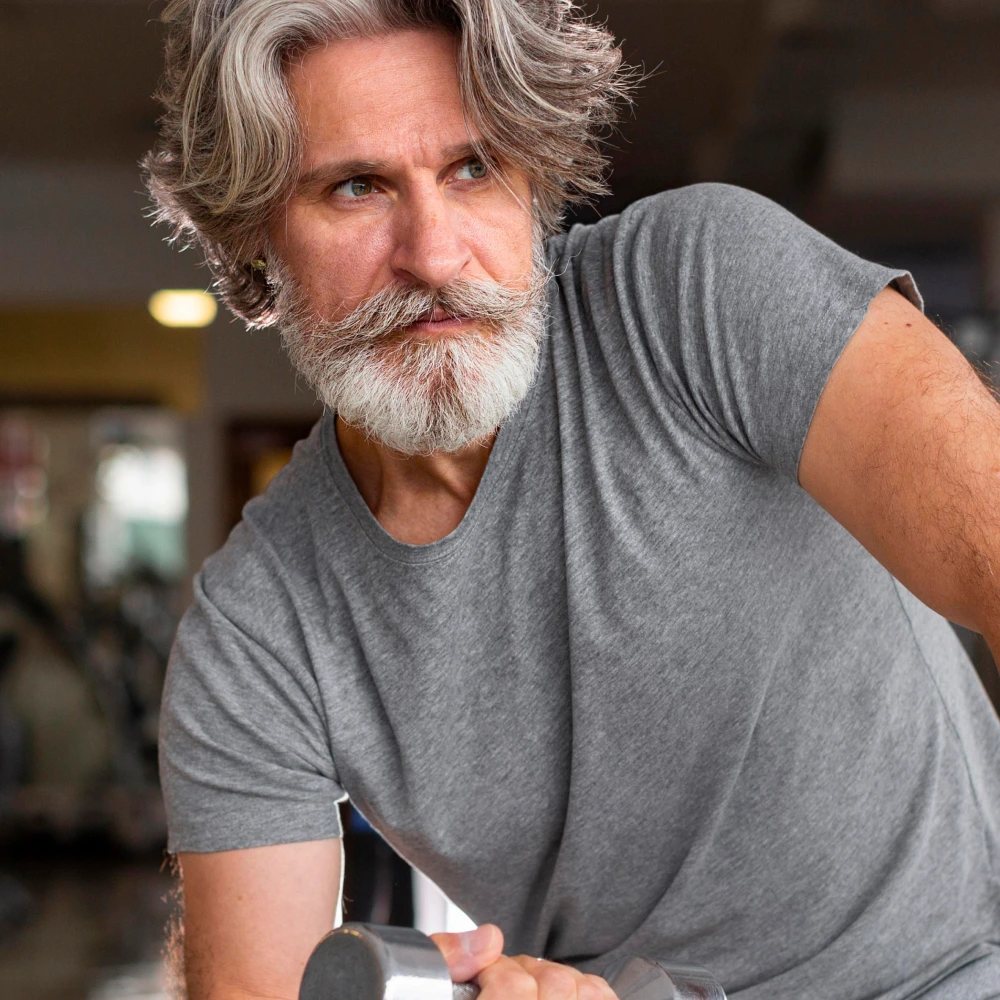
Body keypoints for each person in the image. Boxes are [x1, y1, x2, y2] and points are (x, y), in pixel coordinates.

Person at [145, 2, 1000, 998]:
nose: (433, 253)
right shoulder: (257, 632)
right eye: (357, 187)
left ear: (533, 178)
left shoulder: (701, 290)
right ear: (258, 243)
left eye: (473, 168)